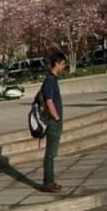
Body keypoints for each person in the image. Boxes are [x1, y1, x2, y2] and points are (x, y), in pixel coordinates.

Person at [36, 53, 69, 194]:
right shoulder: (49, 80)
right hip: (52, 121)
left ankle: (50, 181)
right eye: (63, 64)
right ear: (57, 63)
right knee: (50, 153)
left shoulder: (52, 79)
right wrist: (56, 117)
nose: (64, 66)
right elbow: (49, 101)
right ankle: (47, 182)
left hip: (54, 119)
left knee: (52, 153)